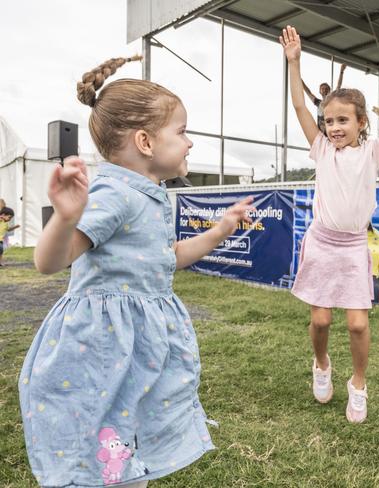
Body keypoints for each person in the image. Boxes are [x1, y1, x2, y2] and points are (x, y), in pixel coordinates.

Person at [18, 56, 255, 487]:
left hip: (133, 347)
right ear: (145, 141)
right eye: (181, 131)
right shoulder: (116, 193)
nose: (189, 143)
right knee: (102, 444)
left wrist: (222, 228)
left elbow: (167, 257)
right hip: (104, 346)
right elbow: (49, 262)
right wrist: (65, 218)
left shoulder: (149, 193)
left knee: (123, 442)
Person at [280, 25, 379, 423]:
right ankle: (322, 363)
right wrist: (294, 62)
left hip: (352, 247)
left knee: (358, 325)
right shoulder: (322, 149)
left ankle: (358, 384)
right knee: (321, 319)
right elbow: (298, 106)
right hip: (321, 243)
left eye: (343, 120)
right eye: (329, 121)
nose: (334, 127)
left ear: (362, 122)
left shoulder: (375, 152)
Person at [302, 63, 346, 132]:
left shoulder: (332, 100)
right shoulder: (318, 102)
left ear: (329, 90)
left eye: (326, 89)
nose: (325, 90)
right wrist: (299, 79)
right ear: (320, 91)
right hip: (320, 132)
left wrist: (341, 71)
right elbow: (308, 92)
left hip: (331, 131)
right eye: (322, 89)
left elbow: (338, 86)